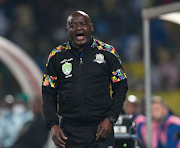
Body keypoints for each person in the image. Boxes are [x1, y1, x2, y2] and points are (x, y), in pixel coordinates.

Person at [42, 10, 128, 148]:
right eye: (73, 25)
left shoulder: (108, 52)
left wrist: (110, 119)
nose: (79, 28)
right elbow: (48, 93)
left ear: (91, 27)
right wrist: (52, 125)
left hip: (101, 129)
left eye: (83, 24)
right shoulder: (56, 56)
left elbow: (121, 88)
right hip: (69, 131)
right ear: (67, 30)